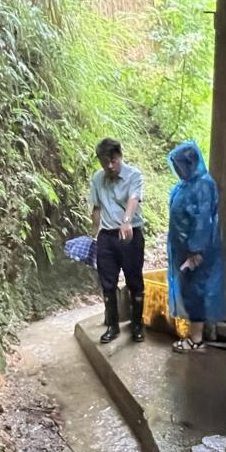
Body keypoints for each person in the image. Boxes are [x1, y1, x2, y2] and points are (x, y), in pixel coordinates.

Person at [165, 141, 225, 353]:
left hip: (196, 252)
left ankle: (196, 340)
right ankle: (195, 336)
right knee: (190, 292)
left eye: (180, 165)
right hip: (184, 250)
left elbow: (202, 221)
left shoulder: (202, 185)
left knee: (196, 293)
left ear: (190, 164)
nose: (177, 169)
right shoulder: (186, 185)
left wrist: (195, 252)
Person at [89, 138, 146, 344]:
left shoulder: (134, 175)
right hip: (107, 236)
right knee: (107, 283)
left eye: (113, 160)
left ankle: (137, 324)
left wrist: (126, 221)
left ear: (120, 156)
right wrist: (94, 236)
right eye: (105, 162)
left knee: (134, 281)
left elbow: (133, 198)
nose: (110, 166)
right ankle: (112, 326)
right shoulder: (97, 179)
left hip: (130, 234)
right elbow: (96, 208)